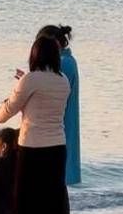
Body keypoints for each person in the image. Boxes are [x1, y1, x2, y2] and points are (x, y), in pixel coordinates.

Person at [0, 36, 70, 214]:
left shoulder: (30, 80)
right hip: (57, 147)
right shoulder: (63, 80)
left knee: (24, 198)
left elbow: (10, 108)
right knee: (47, 198)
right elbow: (43, 102)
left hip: (32, 146)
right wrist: (25, 82)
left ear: (34, 55)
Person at [15, 25, 80, 185]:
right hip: (58, 125)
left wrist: (29, 81)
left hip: (55, 127)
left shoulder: (64, 63)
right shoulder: (69, 61)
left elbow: (49, 87)